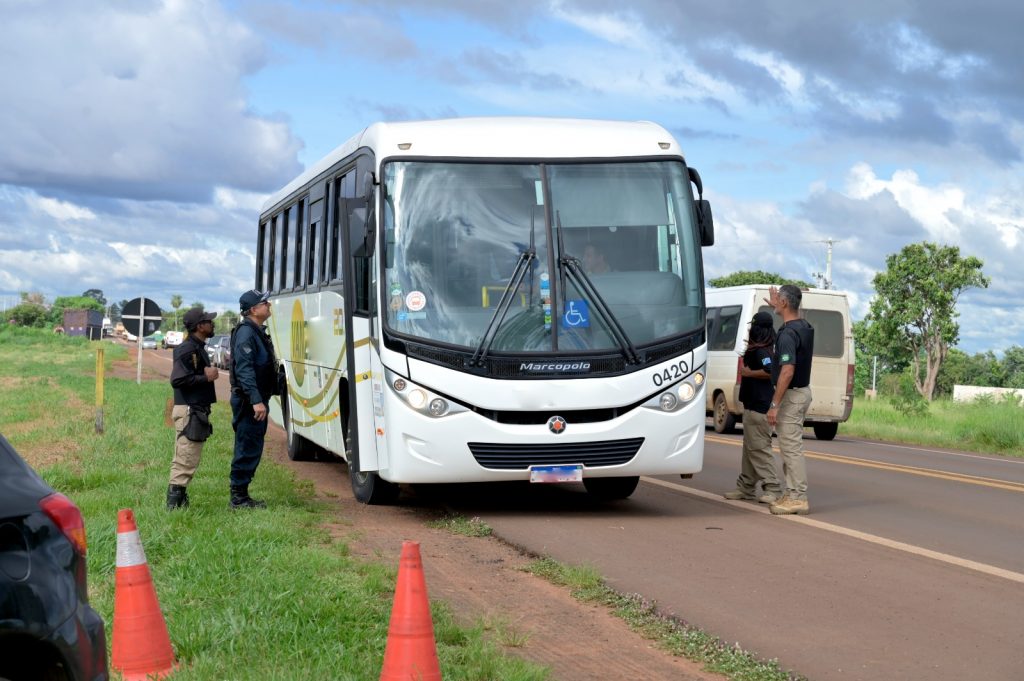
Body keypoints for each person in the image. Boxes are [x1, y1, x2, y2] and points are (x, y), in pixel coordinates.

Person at [723, 311, 783, 504]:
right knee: (750, 450)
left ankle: (773, 488)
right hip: (751, 407)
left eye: (752, 326)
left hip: (759, 407)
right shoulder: (758, 349)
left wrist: (748, 373)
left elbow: (770, 371)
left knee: (759, 450)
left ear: (756, 329)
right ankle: (746, 488)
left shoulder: (763, 351)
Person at [765, 285, 815, 515]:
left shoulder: (787, 334)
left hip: (791, 395)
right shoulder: (803, 326)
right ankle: (792, 492)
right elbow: (794, 314)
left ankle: (797, 497)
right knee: (788, 446)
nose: (775, 303)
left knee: (791, 448)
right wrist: (779, 305)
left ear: (785, 304)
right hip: (801, 392)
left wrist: (775, 404)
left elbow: (787, 371)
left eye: (778, 301)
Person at [228, 289, 278, 509]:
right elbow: (245, 370)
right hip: (249, 402)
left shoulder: (256, 331)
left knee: (252, 445)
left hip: (255, 399)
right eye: (264, 302)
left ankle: (242, 494)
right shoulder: (246, 333)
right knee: (247, 446)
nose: (268, 304)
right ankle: (238, 498)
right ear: (253, 310)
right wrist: (256, 400)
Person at [167, 307, 219, 510]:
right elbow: (177, 379)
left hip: (195, 410)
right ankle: (173, 505)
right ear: (200, 326)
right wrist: (205, 377)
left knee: (188, 456)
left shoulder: (197, 347)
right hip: (190, 410)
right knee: (185, 457)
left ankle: (181, 500)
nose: (212, 323)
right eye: (208, 321)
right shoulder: (187, 349)